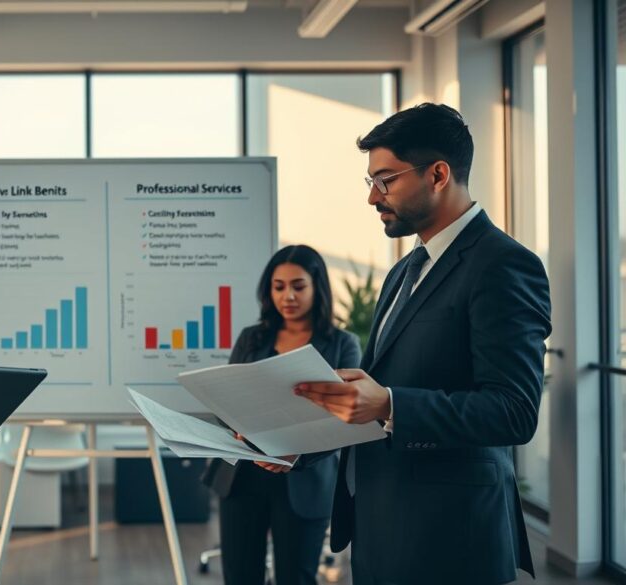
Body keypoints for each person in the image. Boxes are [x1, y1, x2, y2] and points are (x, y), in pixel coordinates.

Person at [272, 104, 551, 585]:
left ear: (438, 174)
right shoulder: (404, 270)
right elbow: (377, 396)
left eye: (385, 180)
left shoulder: (503, 265)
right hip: (380, 529)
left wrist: (390, 404)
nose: (372, 197)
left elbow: (514, 411)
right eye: (371, 182)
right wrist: (297, 446)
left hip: (450, 538)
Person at [202, 245, 361, 585]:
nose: (287, 296)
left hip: (304, 479)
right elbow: (228, 400)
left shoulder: (342, 344)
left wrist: (297, 449)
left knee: (296, 577)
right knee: (240, 577)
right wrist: (236, 424)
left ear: (317, 288)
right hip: (243, 475)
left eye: (298, 286)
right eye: (278, 287)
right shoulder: (252, 338)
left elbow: (347, 417)